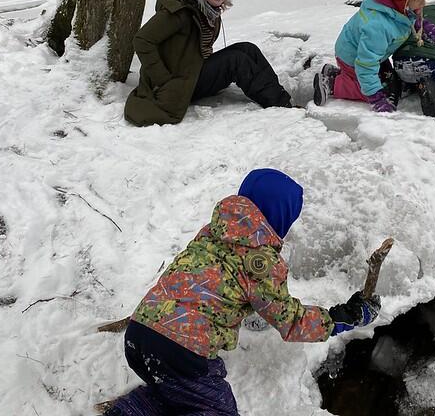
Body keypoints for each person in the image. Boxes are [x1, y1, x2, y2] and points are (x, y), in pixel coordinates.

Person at [105, 169, 381, 416]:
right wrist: (343, 317)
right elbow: (291, 322)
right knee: (216, 409)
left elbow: (215, 285)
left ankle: (132, 409)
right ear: (280, 216)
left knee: (180, 389)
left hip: (140, 334)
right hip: (182, 349)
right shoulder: (261, 260)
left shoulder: (211, 233)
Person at [124, 0, 292, 127]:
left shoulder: (207, 9)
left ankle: (281, 96)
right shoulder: (180, 11)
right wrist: (163, 79)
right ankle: (283, 107)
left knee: (247, 49)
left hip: (191, 73)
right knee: (236, 61)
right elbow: (142, 40)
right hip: (177, 83)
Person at [312, 0, 435, 113]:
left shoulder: (398, 7)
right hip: (353, 58)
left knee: (391, 81)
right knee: (376, 89)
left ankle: (338, 74)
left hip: (375, 53)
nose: (424, 2)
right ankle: (332, 83)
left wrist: (422, 26)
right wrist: (376, 98)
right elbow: (366, 64)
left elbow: (405, 18)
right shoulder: (377, 26)